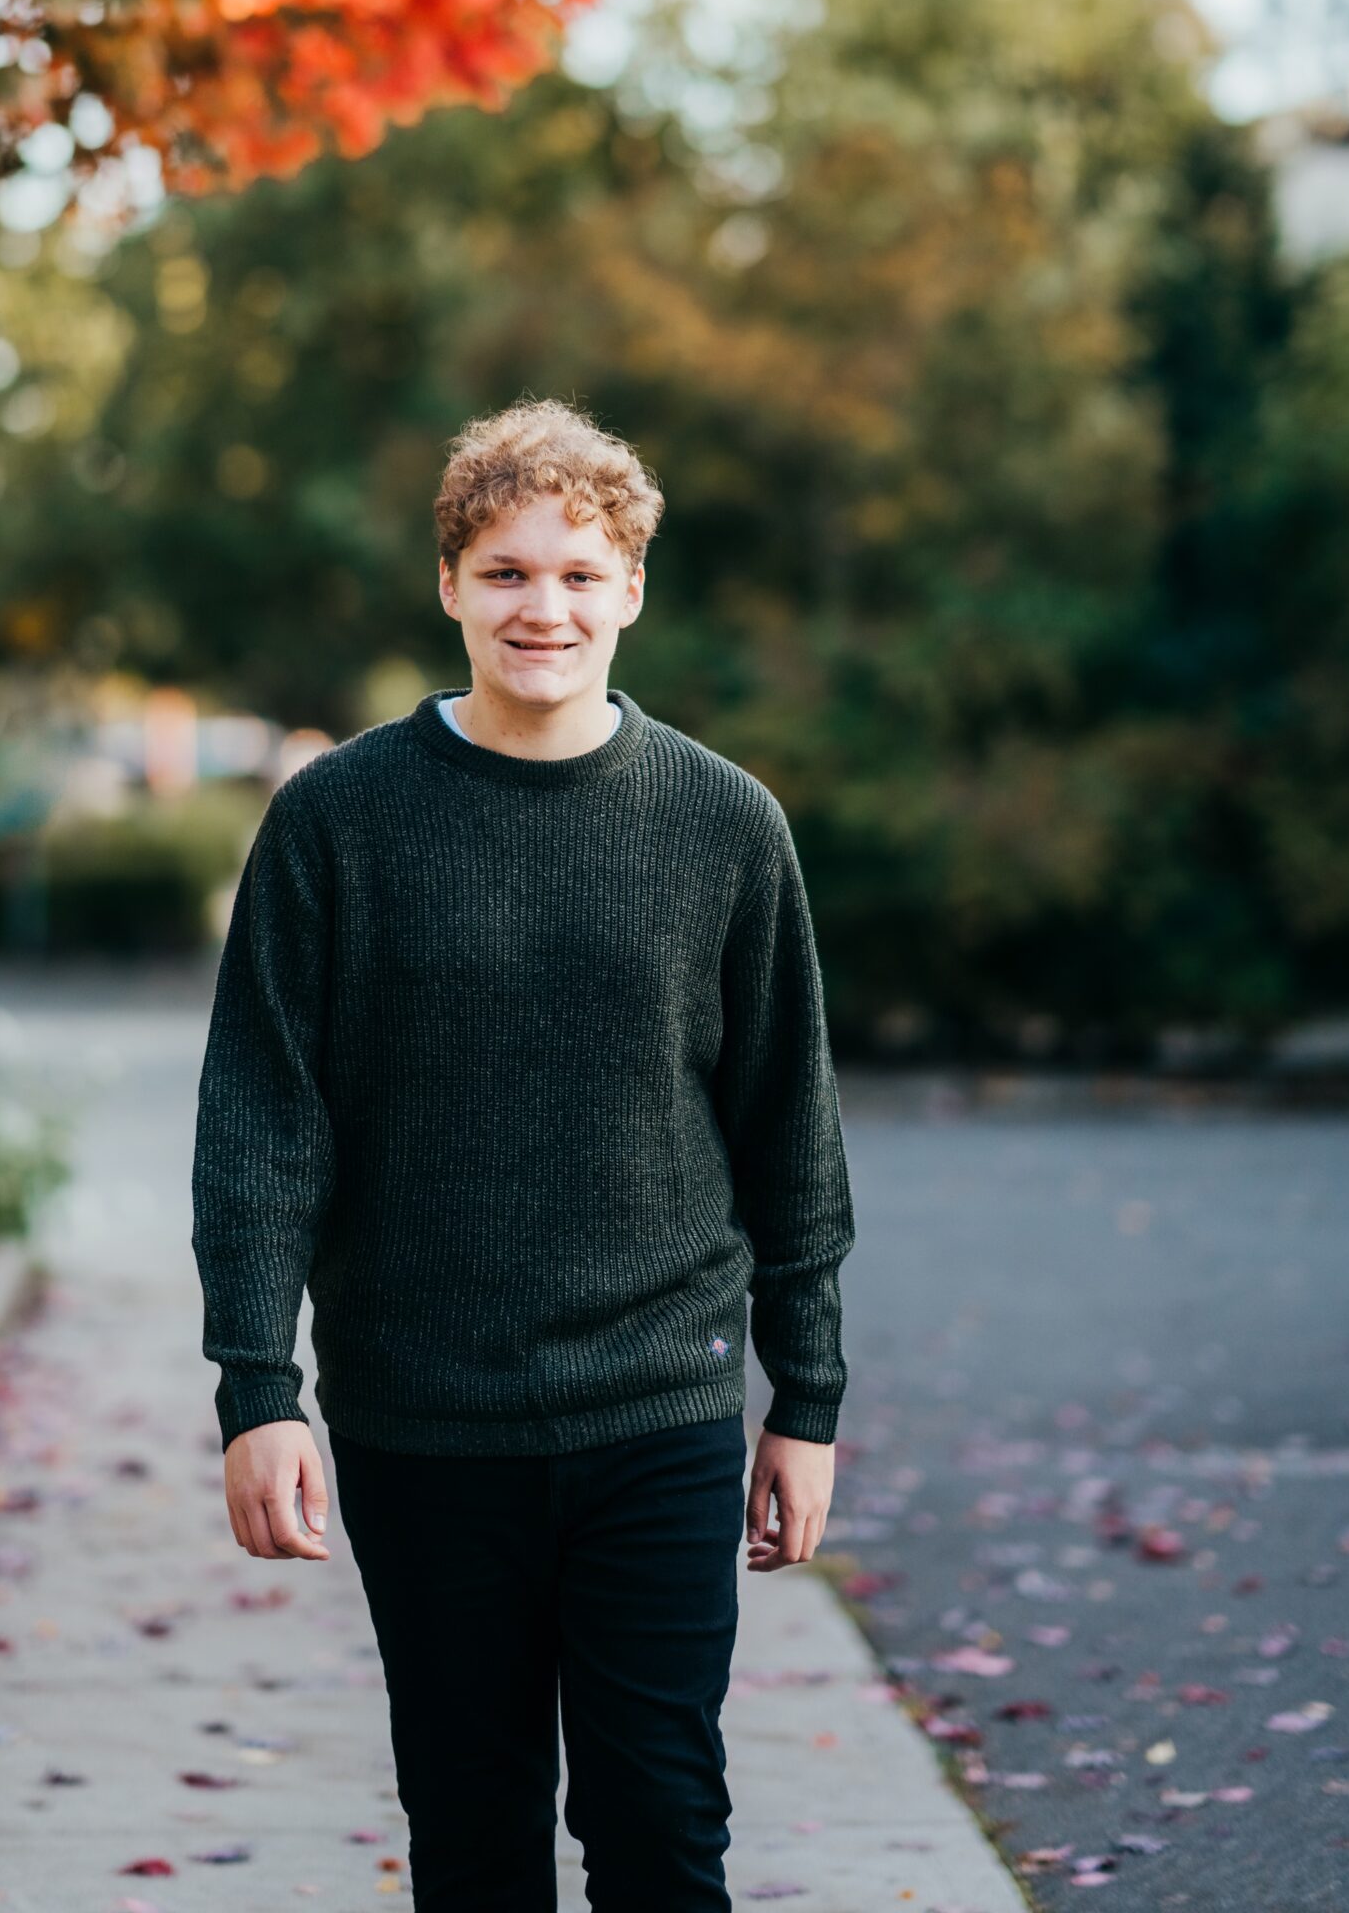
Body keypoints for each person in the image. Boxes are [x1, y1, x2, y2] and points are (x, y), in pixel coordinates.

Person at [191, 396, 856, 1911]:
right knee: (473, 1839)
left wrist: (805, 1397)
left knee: (663, 1832)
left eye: (577, 572)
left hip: (658, 1408)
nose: (541, 606)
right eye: (505, 571)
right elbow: (261, 1126)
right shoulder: (337, 824)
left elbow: (787, 1131)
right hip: (424, 1420)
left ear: (631, 588)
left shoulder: (726, 827)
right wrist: (256, 1390)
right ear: (448, 587)